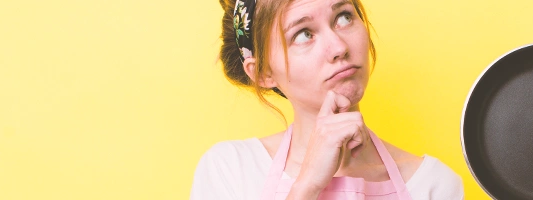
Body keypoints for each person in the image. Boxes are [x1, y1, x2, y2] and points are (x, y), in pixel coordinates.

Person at [190, 0, 464, 199]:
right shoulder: (230, 170)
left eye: (344, 17)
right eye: (304, 34)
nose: (339, 48)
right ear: (263, 73)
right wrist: (307, 185)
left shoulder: (434, 185)